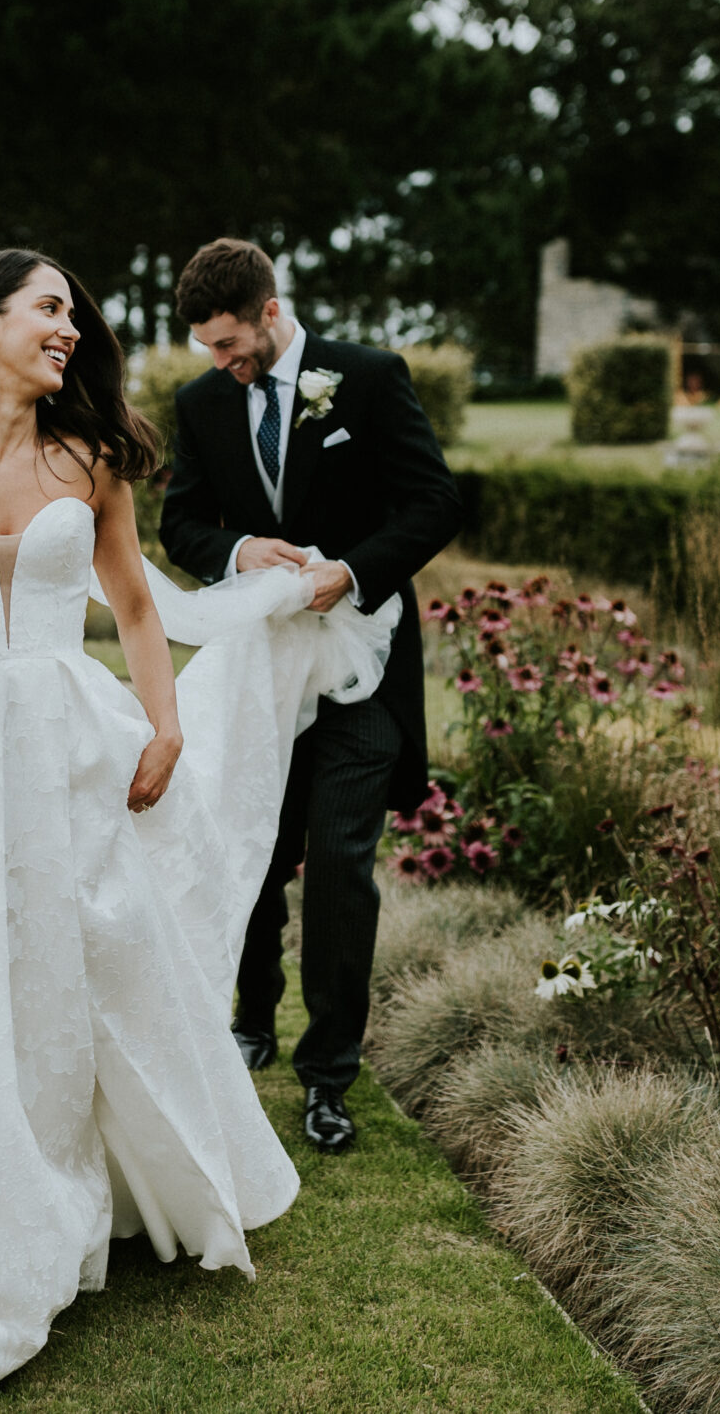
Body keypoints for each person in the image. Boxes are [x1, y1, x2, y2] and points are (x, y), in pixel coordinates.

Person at [0, 248, 397, 1411]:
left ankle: (87, 1174)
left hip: (69, 733)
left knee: (88, 954)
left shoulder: (91, 457)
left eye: (72, 314)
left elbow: (135, 605)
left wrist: (164, 729)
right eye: (49, 310)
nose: (70, 328)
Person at [155, 238, 465, 1155]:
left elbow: (434, 502)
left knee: (337, 861)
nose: (222, 361)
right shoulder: (202, 403)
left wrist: (354, 572)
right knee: (249, 835)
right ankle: (252, 1020)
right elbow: (179, 521)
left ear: (269, 308)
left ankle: (330, 1073)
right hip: (261, 670)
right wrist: (241, 551)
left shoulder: (366, 378)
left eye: (230, 343)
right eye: (209, 348)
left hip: (362, 662)